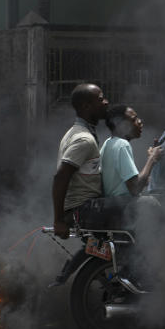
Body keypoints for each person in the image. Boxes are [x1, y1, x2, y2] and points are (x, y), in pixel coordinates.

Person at [52, 83, 109, 238]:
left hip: (82, 208)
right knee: (140, 207)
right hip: (83, 210)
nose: (106, 102)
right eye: (101, 99)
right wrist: (58, 221)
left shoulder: (77, 132)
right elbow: (60, 177)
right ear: (86, 106)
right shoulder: (84, 139)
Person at [100, 105, 163, 197]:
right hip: (122, 207)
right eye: (134, 120)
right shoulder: (122, 145)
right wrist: (152, 158)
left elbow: (126, 183)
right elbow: (135, 188)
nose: (140, 122)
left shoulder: (108, 142)